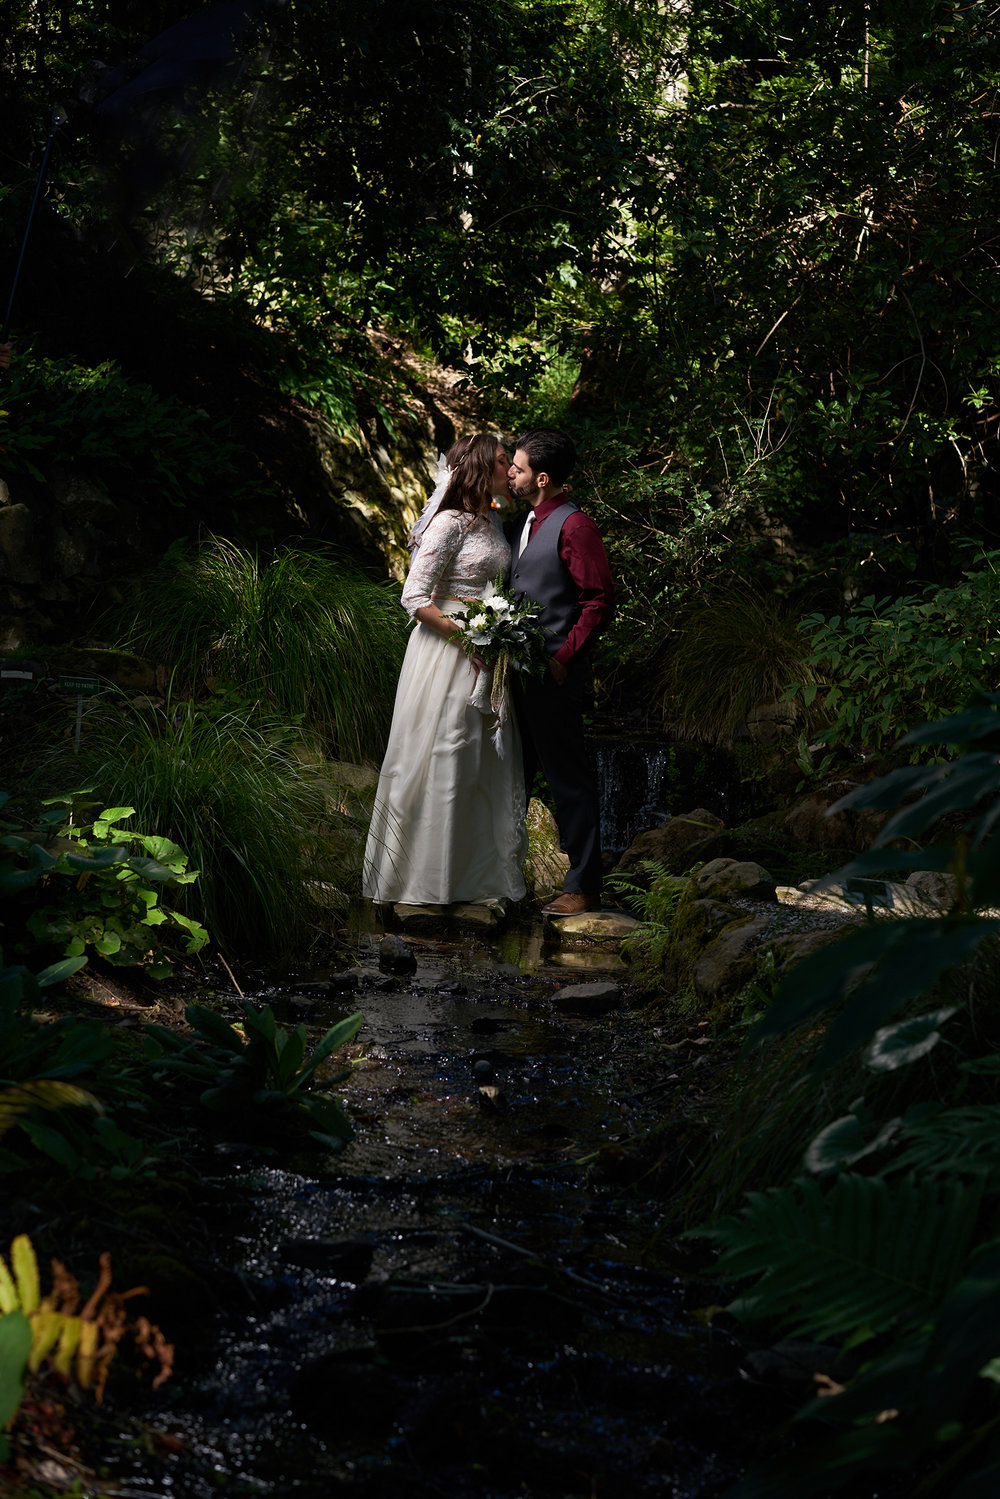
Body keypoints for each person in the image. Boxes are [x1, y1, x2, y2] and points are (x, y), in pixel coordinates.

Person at [362, 433, 527, 908]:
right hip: (445, 650)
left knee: (478, 761)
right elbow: (414, 597)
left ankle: (472, 880)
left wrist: (495, 632)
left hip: (485, 650)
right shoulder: (448, 522)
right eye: (502, 462)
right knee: (443, 754)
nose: (508, 470)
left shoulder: (492, 520)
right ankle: (420, 881)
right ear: (480, 466)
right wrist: (466, 638)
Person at [507, 429, 614, 916]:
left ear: (542, 478)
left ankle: (584, 885)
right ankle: (505, 876)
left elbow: (598, 602)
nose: (511, 472)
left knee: (568, 780)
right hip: (514, 675)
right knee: (512, 777)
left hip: (555, 676)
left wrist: (562, 658)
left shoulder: (575, 526)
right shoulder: (524, 520)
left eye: (519, 466)